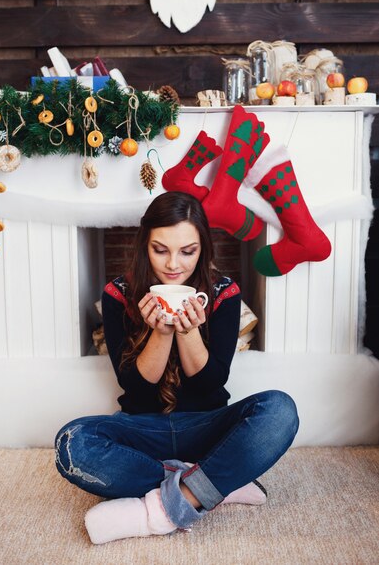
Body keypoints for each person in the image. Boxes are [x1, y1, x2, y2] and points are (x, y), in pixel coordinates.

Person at [55, 191, 299, 545]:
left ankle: (163, 508)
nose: (173, 264)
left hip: (205, 427)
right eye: (160, 249)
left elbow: (211, 383)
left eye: (188, 251)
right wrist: (160, 331)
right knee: (71, 443)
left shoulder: (223, 293)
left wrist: (188, 332)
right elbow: (136, 389)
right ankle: (215, 483)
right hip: (142, 429)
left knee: (280, 410)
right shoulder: (117, 294)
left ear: (203, 248)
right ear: (144, 245)